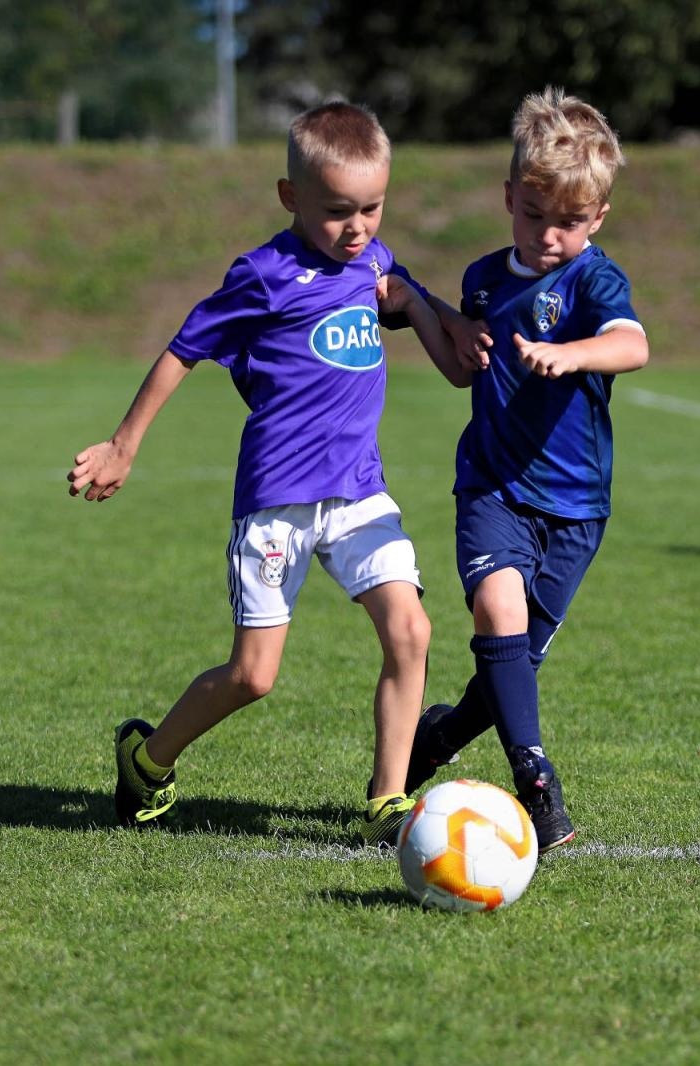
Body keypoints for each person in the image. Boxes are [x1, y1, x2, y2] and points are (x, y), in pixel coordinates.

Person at [66, 102, 458, 846]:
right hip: (276, 502)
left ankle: (387, 799)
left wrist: (449, 321)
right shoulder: (262, 276)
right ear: (291, 199)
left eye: (372, 208)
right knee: (254, 676)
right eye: (338, 211)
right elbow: (183, 350)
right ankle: (147, 759)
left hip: (359, 494)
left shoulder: (375, 261)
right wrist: (124, 444)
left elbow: (408, 299)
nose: (358, 227)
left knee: (410, 630)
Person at [401, 88, 650, 853]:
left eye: (569, 224)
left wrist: (569, 354)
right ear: (509, 198)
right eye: (534, 216)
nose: (549, 237)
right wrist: (431, 318)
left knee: (516, 666)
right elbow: (458, 370)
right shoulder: (482, 278)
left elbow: (632, 345)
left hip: (577, 507)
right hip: (492, 487)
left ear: (598, 218)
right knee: (497, 616)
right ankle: (535, 780)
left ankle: (437, 737)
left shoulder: (593, 281)